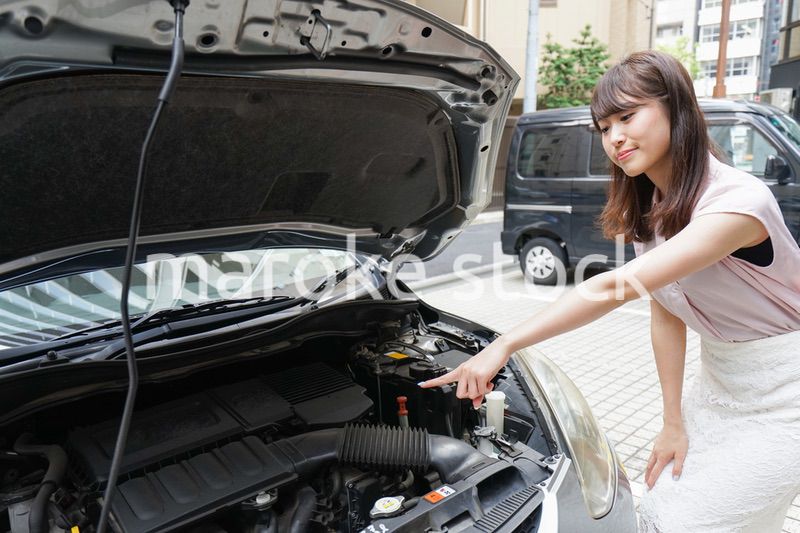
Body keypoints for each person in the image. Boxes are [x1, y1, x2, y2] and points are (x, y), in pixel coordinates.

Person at [419, 50, 800, 532]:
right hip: (723, 383)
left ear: (677, 109)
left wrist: (505, 344)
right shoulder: (655, 210)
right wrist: (672, 422)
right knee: (689, 508)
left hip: (790, 394)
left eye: (628, 116)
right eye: (603, 126)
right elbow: (667, 312)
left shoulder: (738, 203)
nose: (615, 137)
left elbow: (616, 288)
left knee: (687, 521)